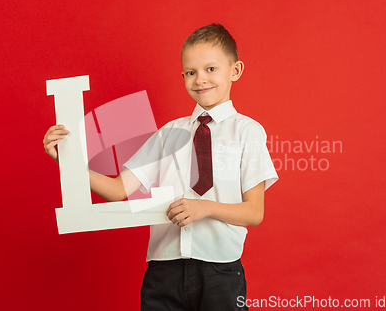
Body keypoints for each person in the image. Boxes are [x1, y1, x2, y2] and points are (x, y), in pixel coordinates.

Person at [43, 23, 278, 311]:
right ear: (182, 76)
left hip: (220, 272)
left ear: (235, 70)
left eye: (211, 69)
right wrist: (67, 163)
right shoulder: (169, 133)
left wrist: (204, 207)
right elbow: (119, 189)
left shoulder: (248, 131)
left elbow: (254, 212)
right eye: (191, 72)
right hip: (163, 271)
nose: (200, 79)